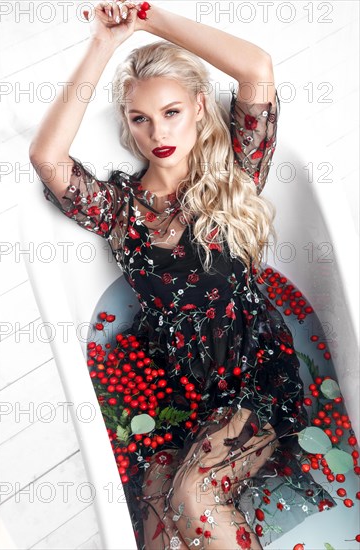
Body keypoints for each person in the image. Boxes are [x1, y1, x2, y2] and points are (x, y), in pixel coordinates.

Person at [29, 2, 336, 549]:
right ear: (127, 123)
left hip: (248, 374)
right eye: (139, 119)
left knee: (192, 500)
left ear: (199, 106)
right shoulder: (121, 209)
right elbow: (48, 157)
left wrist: (148, 20)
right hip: (169, 382)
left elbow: (257, 68)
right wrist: (103, 45)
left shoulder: (236, 174)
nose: (157, 133)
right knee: (159, 529)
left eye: (171, 112)